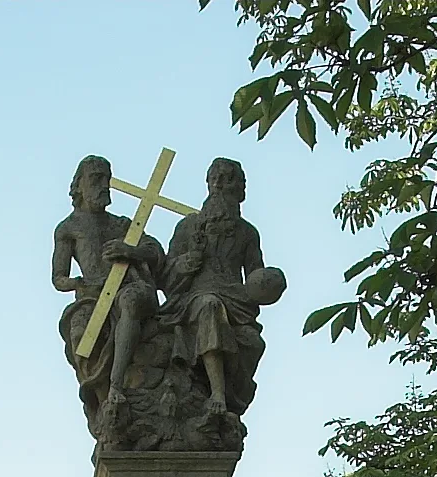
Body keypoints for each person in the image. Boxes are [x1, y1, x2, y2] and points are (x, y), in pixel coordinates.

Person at [159, 157, 286, 414]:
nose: (218, 185)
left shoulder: (247, 233)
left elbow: (255, 276)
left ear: (240, 190)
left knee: (253, 342)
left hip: (236, 300)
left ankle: (230, 394)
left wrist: (270, 282)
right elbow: (165, 275)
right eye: (214, 179)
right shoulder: (187, 227)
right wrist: (187, 261)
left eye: (227, 179)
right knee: (210, 307)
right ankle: (216, 393)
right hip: (193, 299)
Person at [53, 155, 164, 428]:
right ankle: (103, 400)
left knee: (130, 302)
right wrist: (77, 284)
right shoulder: (68, 228)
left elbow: (155, 251)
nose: (104, 186)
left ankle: (117, 387)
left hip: (129, 287)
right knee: (80, 334)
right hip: (92, 295)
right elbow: (58, 277)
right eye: (96, 179)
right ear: (79, 186)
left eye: (106, 179)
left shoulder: (123, 224)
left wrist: (130, 251)